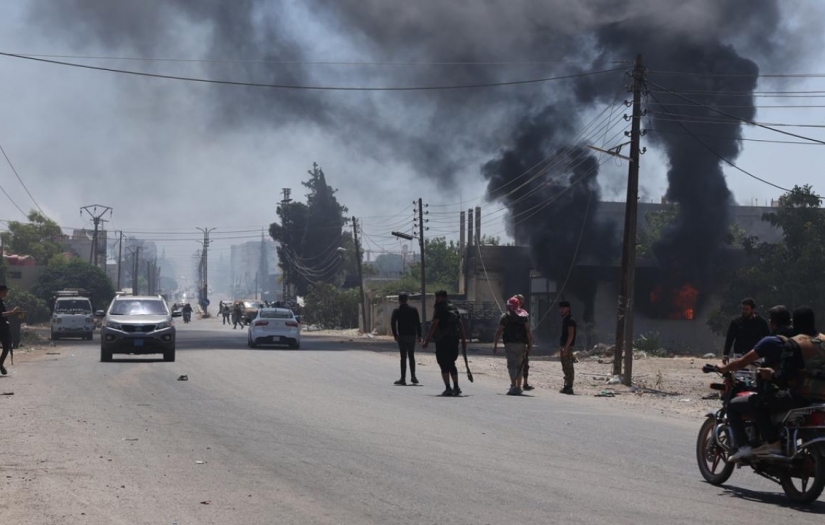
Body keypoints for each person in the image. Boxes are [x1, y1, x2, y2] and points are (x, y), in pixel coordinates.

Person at [721, 306, 818, 461]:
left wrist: (772, 375)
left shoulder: (793, 343)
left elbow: (786, 374)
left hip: (797, 395)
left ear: (772, 323)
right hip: (819, 398)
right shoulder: (820, 341)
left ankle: (768, 443)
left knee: (752, 402)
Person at [423, 291, 468, 396]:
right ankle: (456, 387)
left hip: (442, 340)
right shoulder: (453, 308)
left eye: (437, 297)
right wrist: (464, 339)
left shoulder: (439, 309)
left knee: (443, 364)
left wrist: (427, 340)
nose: (436, 299)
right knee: (451, 363)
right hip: (454, 339)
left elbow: (434, 324)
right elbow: (460, 324)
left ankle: (448, 388)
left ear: (441, 298)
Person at [493, 296, 533, 395]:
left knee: (512, 365)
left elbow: (499, 331)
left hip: (510, 344)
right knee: (520, 366)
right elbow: (528, 331)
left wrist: (495, 345)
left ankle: (513, 386)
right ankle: (519, 387)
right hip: (522, 344)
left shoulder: (505, 317)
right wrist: (530, 344)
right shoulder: (524, 316)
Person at [723, 297, 770, 365]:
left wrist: (768, 353)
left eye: (747, 309)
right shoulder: (736, 322)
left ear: (753, 310)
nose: (744, 311)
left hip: (756, 354)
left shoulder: (761, 321)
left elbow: (767, 337)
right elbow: (730, 339)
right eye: (743, 309)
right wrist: (726, 354)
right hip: (739, 354)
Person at [390, 292, 422, 386]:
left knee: (403, 357)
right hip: (412, 336)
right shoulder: (413, 310)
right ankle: (413, 376)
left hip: (402, 336)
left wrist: (395, 335)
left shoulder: (397, 311)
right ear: (407, 300)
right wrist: (419, 335)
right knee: (411, 356)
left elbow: (393, 323)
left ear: (399, 300)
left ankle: (403, 379)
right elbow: (417, 323)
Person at [513, 294, 534, 391]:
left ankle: (524, 383)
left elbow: (527, 329)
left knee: (525, 363)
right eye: (518, 300)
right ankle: (515, 383)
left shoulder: (524, 313)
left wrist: (530, 341)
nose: (520, 302)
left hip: (522, 342)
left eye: (521, 300)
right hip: (513, 342)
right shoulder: (511, 313)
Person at [0, 285, 22, 376]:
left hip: (3, 328)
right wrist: (12, 312)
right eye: (5, 291)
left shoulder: (2, 302)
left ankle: (0, 364)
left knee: (7, 346)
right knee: (6, 346)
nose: (6, 293)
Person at [559, 301, 577, 395]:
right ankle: (566, 385)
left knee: (569, 366)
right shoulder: (565, 320)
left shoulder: (570, 320)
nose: (562, 310)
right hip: (564, 346)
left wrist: (566, 348)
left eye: (564, 308)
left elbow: (571, 335)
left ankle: (569, 387)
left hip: (568, 346)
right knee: (565, 366)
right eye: (561, 308)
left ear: (568, 309)